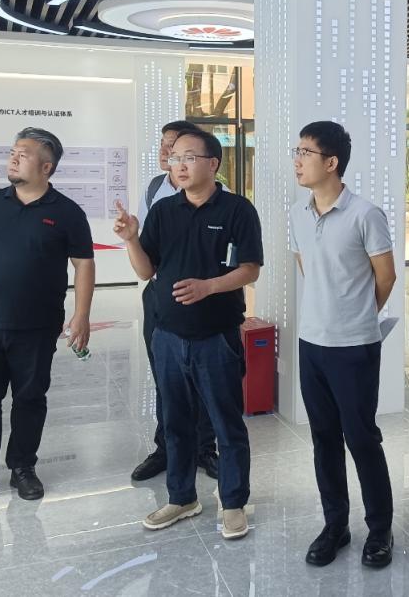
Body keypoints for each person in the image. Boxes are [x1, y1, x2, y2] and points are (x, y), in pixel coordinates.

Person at [113, 128, 262, 540]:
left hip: (216, 336)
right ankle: (181, 498)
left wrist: (209, 287)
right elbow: (146, 270)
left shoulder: (237, 210)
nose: (179, 164)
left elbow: (250, 269)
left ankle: (233, 503)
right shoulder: (164, 211)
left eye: (189, 157)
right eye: (175, 157)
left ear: (213, 164)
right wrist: (131, 240)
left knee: (225, 424)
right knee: (175, 422)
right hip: (168, 336)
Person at [0, 127, 95, 504]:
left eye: (23, 154)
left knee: (29, 398)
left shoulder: (67, 213)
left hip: (36, 328)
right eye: (13, 152)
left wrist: (82, 315)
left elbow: (83, 264)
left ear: (46, 167)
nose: (13, 158)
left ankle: (23, 468)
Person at [289, 121, 398, 569]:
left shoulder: (365, 214)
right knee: (324, 439)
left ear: (331, 162)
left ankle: (380, 529)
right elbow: (308, 268)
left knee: (361, 438)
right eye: (296, 152)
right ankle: (335, 525)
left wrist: (356, 316)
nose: (297, 160)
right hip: (311, 343)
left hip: (354, 346)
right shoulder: (298, 213)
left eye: (306, 153)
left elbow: (386, 276)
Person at [132, 119, 219, 483]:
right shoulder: (155, 188)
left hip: (202, 298)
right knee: (164, 374)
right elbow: (144, 248)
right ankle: (166, 448)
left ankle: (204, 448)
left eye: (177, 147)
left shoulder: (219, 197)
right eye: (165, 146)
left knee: (203, 378)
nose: (168, 152)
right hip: (159, 296)